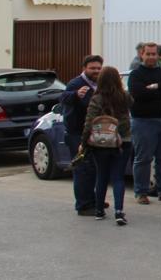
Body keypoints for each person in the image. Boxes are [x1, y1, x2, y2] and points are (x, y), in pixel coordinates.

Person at [81, 65, 133, 224]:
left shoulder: (96, 99)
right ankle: (119, 211)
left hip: (100, 143)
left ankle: (98, 210)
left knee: (102, 175)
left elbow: (89, 123)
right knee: (118, 177)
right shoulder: (125, 97)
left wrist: (84, 143)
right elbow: (128, 119)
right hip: (122, 141)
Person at [128, 42, 161, 205]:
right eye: (149, 54)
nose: (152, 57)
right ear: (142, 54)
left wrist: (155, 87)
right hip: (143, 121)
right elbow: (138, 94)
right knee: (143, 158)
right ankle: (141, 192)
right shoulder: (136, 75)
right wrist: (159, 90)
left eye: (154, 54)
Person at [62, 55, 103, 216]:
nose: (96, 71)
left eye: (99, 68)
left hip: (94, 132)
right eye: (92, 68)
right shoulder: (76, 83)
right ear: (84, 68)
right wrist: (75, 95)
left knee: (92, 168)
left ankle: (92, 199)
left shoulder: (99, 83)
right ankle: (84, 205)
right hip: (77, 133)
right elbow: (63, 98)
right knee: (82, 168)